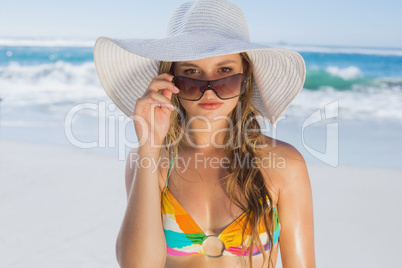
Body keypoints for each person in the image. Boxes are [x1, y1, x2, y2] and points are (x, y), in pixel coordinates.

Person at [94, 0, 315, 267]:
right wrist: (149, 147)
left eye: (225, 71)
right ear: (170, 80)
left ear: (246, 77)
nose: (209, 89)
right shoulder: (150, 160)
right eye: (191, 73)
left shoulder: (284, 164)